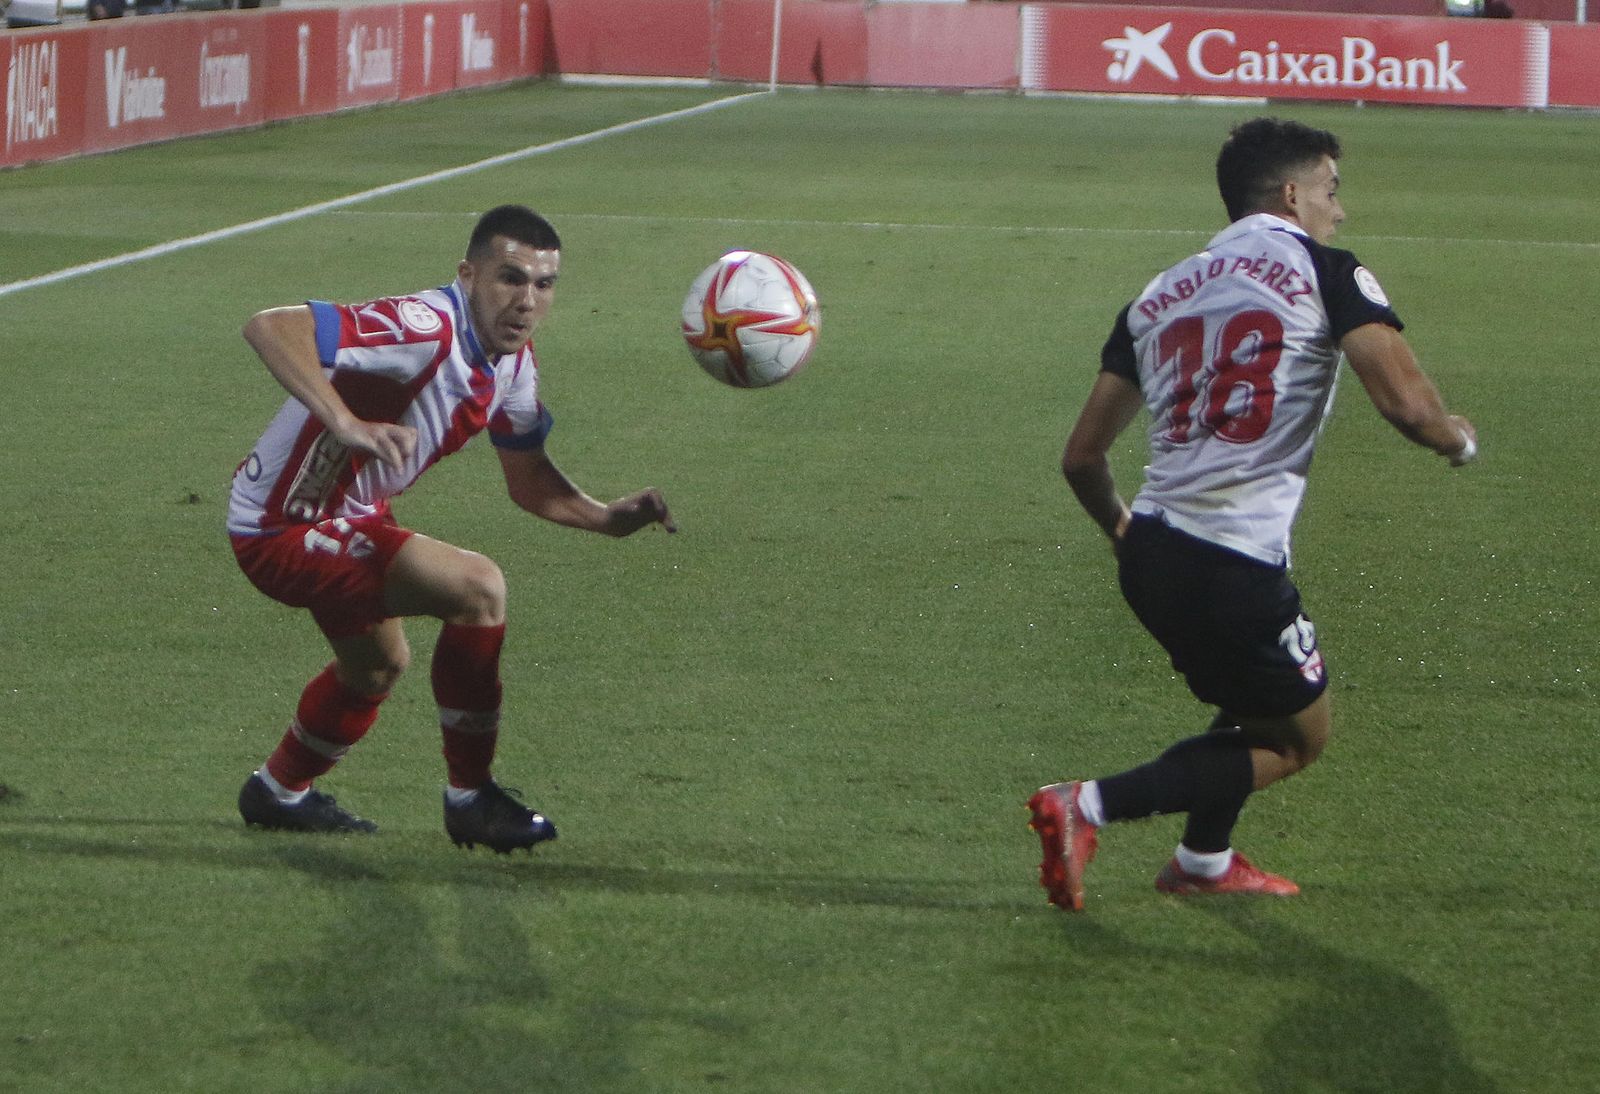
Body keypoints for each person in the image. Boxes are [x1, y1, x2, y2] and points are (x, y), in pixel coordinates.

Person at [1028, 118, 1477, 910]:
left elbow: (1081, 459)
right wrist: (1456, 438)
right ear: (1293, 193)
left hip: (1153, 552)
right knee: (1297, 739)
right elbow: (1407, 405)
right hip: (1229, 562)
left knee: (1245, 703)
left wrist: (1125, 534)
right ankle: (1088, 804)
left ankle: (1202, 862)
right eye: (1332, 192)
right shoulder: (1324, 270)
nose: (1340, 211)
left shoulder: (1156, 295)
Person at [228, 204, 676, 852]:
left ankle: (276, 791)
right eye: (509, 278)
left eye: (542, 285)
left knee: (377, 668)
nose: (526, 301)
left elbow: (528, 481)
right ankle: (472, 797)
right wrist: (343, 422)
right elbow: (271, 327)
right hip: (282, 527)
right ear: (468, 275)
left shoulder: (514, 367)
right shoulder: (424, 327)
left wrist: (607, 519)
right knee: (478, 587)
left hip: (348, 514)